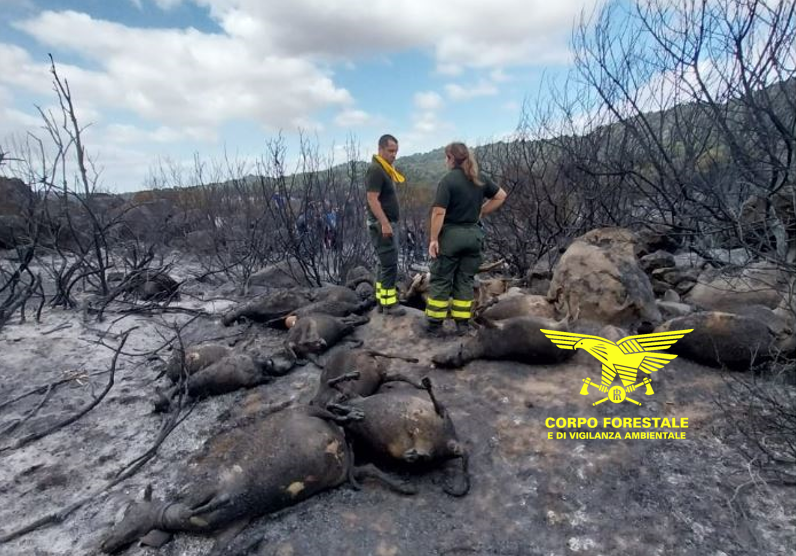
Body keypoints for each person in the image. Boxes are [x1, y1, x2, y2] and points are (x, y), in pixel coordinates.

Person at [425, 142, 507, 335]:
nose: (446, 161)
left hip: (451, 238)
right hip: (474, 237)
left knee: (442, 279)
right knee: (465, 280)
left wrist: (433, 239)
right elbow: (501, 196)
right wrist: (481, 212)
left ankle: (435, 325)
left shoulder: (448, 181)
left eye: (447, 157)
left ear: (451, 158)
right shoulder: (479, 178)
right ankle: (462, 324)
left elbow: (438, 212)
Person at [366, 134, 406, 316]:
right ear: (380, 149)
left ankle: (382, 301)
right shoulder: (376, 170)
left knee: (383, 264)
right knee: (389, 264)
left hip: (388, 222)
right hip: (383, 224)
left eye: (396, 151)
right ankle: (390, 305)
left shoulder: (385, 169)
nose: (393, 155)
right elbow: (372, 199)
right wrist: (384, 223)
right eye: (390, 151)